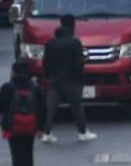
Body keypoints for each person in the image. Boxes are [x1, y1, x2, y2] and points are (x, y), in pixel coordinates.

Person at [0, 60, 47, 166]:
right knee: (28, 154)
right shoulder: (35, 87)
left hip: (12, 127)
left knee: (16, 155)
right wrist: (41, 127)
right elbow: (43, 108)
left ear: (13, 72)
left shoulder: (8, 87)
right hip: (30, 126)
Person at [41, 15, 96, 143]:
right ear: (73, 26)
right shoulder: (74, 42)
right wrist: (79, 78)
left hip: (54, 80)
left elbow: (45, 63)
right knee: (76, 107)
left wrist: (48, 76)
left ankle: (46, 133)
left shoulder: (50, 43)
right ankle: (83, 132)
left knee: (50, 108)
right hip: (70, 80)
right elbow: (79, 63)